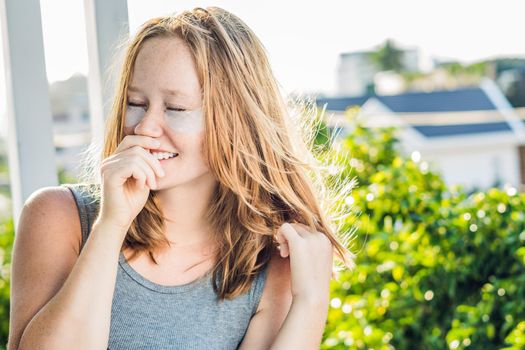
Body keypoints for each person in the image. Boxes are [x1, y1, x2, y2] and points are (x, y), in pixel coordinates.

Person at [8, 6, 355, 350]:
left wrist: (311, 301)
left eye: (175, 109)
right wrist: (111, 226)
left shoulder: (269, 263)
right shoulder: (57, 217)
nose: (144, 127)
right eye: (136, 102)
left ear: (235, 122)